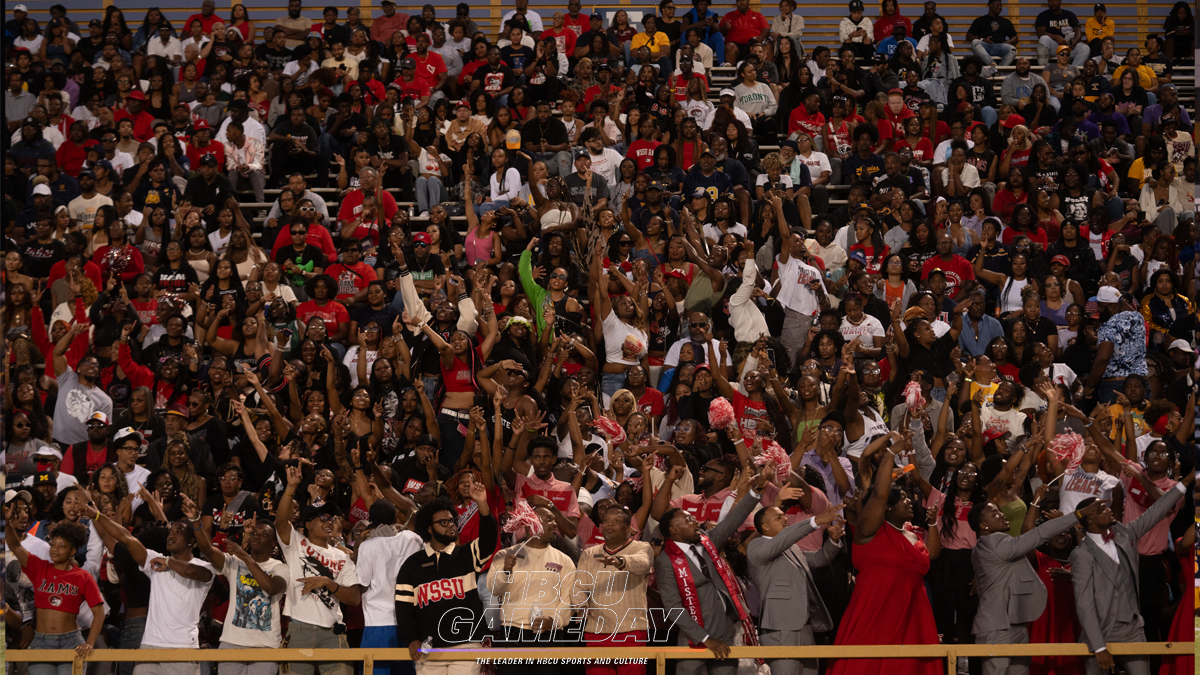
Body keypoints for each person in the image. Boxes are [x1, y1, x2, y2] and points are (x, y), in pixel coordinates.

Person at [656, 451, 771, 675]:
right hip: (694, 638)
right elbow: (673, 607)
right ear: (674, 530)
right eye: (688, 520)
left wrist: (756, 491)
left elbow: (732, 520)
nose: (695, 522)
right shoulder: (665, 561)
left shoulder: (708, 542)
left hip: (726, 632)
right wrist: (705, 639)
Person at [1071, 474, 1191, 675]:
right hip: (1101, 631)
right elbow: (1084, 603)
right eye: (1102, 509)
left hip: (1132, 629)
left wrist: (1185, 483)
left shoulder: (1125, 534)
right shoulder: (1081, 554)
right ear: (1090, 518)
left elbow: (1156, 511)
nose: (1109, 510)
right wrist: (1099, 647)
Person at [969, 496, 1102, 675]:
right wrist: (1079, 514)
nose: (1002, 514)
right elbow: (1038, 534)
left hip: (1015, 625)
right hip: (997, 628)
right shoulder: (993, 543)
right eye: (995, 513)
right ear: (983, 525)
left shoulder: (993, 546)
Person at [395, 477, 495, 675]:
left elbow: (489, 538)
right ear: (429, 529)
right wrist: (412, 639)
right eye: (443, 522)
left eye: (452, 521)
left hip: (467, 645)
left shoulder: (467, 554)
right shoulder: (412, 565)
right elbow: (404, 608)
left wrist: (482, 503)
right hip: (428, 649)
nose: (451, 525)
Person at [748, 499, 846, 675]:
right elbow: (780, 542)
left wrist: (832, 541)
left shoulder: (791, 548)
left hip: (805, 627)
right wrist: (815, 521)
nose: (785, 519)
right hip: (780, 628)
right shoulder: (756, 547)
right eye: (778, 517)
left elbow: (818, 559)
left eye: (784, 515)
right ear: (765, 527)